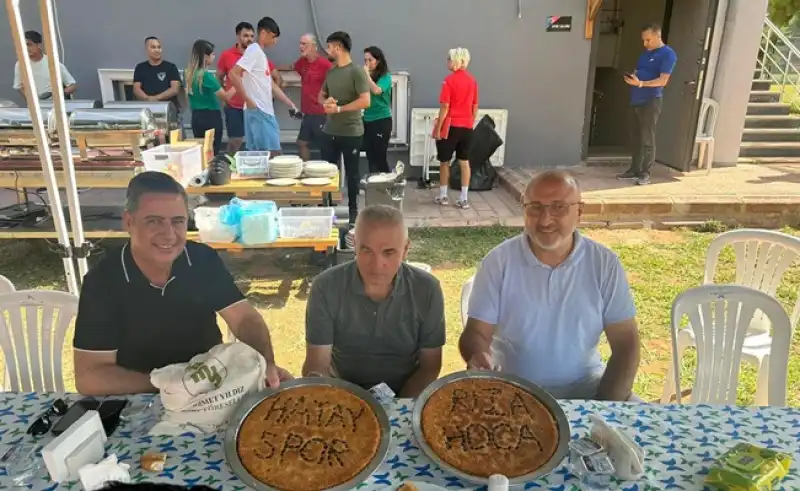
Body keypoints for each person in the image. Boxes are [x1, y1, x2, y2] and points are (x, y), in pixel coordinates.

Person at [72, 172, 291, 396]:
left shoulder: (201, 259)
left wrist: (266, 363)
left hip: (211, 392)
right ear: (129, 222)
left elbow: (244, 318)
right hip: (138, 399)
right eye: (154, 221)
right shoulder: (102, 281)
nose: (169, 234)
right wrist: (173, 385)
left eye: (178, 222)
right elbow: (90, 377)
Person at [459, 170, 641, 401]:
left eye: (558, 207)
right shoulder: (498, 262)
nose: (545, 220)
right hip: (511, 393)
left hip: (588, 390)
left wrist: (607, 407)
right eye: (535, 207)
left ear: (580, 211)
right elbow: (476, 333)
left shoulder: (604, 264)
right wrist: (477, 354)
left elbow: (626, 343)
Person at [303, 205, 445, 397]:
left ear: (405, 250)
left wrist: (399, 408)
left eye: (388, 253)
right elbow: (318, 364)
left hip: (406, 392)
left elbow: (430, 367)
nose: (377, 265)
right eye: (367, 250)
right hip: (342, 393)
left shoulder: (427, 289)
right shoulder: (325, 287)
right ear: (354, 244)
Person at [319, 31, 371, 225]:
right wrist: (327, 102)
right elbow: (320, 96)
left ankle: (353, 212)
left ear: (338, 48)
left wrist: (340, 108)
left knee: (352, 173)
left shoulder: (356, 71)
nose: (328, 51)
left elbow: (365, 101)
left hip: (351, 132)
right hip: (330, 131)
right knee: (326, 174)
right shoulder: (331, 72)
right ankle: (327, 211)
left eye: (329, 47)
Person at [617, 23, 677, 186]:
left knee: (647, 139)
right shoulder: (645, 54)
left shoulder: (668, 54)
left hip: (651, 100)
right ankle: (634, 169)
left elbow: (663, 81)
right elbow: (639, 71)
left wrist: (641, 84)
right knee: (635, 137)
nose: (645, 44)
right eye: (643, 40)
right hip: (636, 99)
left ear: (658, 37)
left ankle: (645, 173)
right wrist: (633, 78)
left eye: (648, 40)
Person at [228, 16, 297, 154]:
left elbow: (271, 84)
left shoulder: (260, 54)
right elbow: (233, 74)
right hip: (260, 110)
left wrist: (290, 103)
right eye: (273, 36)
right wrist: (248, 100)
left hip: (259, 110)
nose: (275, 41)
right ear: (264, 33)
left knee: (258, 155)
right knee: (273, 154)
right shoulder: (254, 51)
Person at [217, 22, 283, 154]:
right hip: (235, 107)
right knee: (235, 141)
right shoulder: (227, 55)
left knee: (258, 143)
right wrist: (224, 97)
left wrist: (269, 98)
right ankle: (229, 165)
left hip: (255, 108)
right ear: (238, 36)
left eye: (252, 36)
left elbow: (276, 77)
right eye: (245, 35)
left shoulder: (257, 54)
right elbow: (219, 76)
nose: (249, 39)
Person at [433, 47, 478, 210]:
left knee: (444, 161)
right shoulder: (472, 81)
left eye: (449, 59)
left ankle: (443, 195)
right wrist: (470, 122)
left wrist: (438, 128)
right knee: (464, 162)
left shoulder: (448, 81)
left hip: (451, 126)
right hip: (467, 126)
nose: (448, 62)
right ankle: (464, 198)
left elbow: (445, 106)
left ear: (458, 61)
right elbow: (475, 106)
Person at [276, 33, 332, 161]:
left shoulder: (325, 65)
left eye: (304, 44)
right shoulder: (302, 62)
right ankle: (306, 168)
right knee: (301, 142)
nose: (301, 46)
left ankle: (328, 171)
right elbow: (290, 67)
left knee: (325, 145)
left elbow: (334, 86)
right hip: (307, 112)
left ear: (314, 46)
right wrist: (272, 68)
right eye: (300, 43)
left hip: (320, 112)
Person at [185, 40, 235, 155]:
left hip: (196, 117)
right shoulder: (206, 76)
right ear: (205, 57)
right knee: (212, 151)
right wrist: (239, 83)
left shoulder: (188, 74)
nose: (214, 57)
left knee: (201, 151)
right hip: (210, 117)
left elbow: (188, 98)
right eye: (212, 54)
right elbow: (226, 96)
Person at [12, 30, 77, 100]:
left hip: (54, 105)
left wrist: (59, 96)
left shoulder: (52, 63)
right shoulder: (20, 64)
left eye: (29, 44)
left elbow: (72, 85)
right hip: (36, 106)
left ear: (39, 45)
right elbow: (19, 86)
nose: (26, 48)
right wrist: (32, 100)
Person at [362, 46, 393, 174]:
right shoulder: (367, 76)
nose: (367, 63)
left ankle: (388, 185)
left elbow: (376, 90)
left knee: (380, 157)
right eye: (365, 60)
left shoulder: (386, 77)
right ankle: (374, 186)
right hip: (367, 119)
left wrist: (366, 76)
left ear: (378, 61)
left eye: (370, 60)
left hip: (381, 120)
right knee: (371, 156)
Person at [133, 36, 181, 110]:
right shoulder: (140, 67)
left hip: (169, 109)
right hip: (147, 110)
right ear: (146, 49)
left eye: (159, 47)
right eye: (153, 47)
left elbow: (175, 89)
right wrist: (148, 99)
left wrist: (156, 98)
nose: (157, 50)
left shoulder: (171, 67)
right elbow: (136, 89)